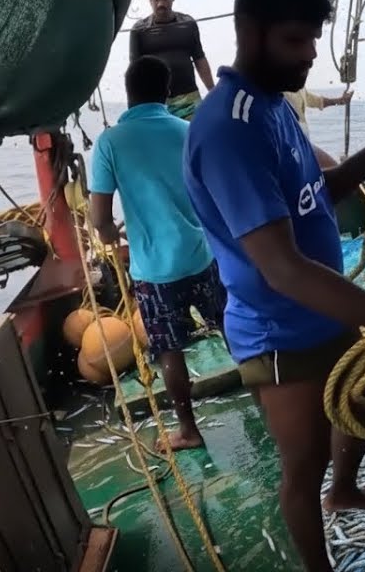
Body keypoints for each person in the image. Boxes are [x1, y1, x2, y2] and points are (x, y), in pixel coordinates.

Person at [182, 0, 365, 572]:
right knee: (302, 465)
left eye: (314, 37)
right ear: (250, 30)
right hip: (279, 331)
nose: (311, 53)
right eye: (296, 38)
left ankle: (346, 490)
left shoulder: (276, 106)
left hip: (325, 306)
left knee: (361, 404)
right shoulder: (230, 130)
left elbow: (315, 197)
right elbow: (281, 268)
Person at [87, 55, 225, 453]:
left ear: (128, 94)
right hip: (202, 256)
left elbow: (99, 218)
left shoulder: (111, 142)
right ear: (166, 92)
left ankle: (188, 429)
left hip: (154, 271)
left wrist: (113, 234)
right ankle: (266, 397)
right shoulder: (188, 130)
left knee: (169, 349)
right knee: (231, 327)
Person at [129, 0, 215, 120]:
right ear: (150, 0)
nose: (161, 4)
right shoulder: (139, 30)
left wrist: (213, 92)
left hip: (189, 99)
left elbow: (199, 58)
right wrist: (134, 108)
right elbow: (134, 71)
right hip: (155, 104)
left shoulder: (188, 23)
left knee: (194, 139)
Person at [283, 87, 354, 139]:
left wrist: (339, 101)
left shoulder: (299, 85)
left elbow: (313, 100)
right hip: (288, 132)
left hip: (302, 131)